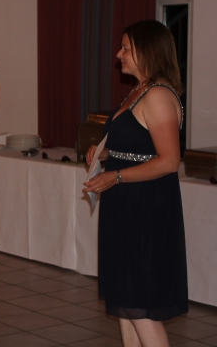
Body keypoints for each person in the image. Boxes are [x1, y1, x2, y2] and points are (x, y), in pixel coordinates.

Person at [84, 19, 188, 347]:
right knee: (125, 303)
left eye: (126, 48)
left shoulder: (157, 95)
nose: (119, 54)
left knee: (139, 305)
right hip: (125, 203)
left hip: (145, 207)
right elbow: (136, 146)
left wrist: (115, 175)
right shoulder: (138, 91)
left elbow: (169, 161)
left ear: (147, 51)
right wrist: (104, 153)